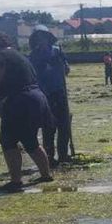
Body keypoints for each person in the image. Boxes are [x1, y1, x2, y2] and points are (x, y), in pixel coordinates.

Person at [0, 48, 54, 194]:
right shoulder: (20, 58)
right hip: (37, 97)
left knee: (8, 142)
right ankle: (45, 175)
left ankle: (16, 181)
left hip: (20, 101)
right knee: (30, 141)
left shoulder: (0, 57)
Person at [28, 24, 72, 167]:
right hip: (44, 94)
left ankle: (64, 155)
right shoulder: (32, 56)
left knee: (64, 125)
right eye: (38, 38)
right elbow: (31, 75)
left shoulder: (57, 52)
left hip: (60, 92)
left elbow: (67, 70)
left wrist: (62, 65)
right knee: (48, 127)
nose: (41, 40)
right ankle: (49, 157)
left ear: (48, 38)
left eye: (44, 37)